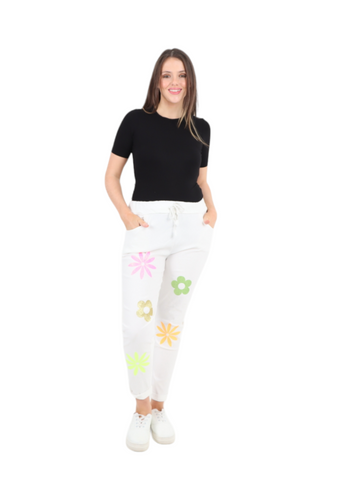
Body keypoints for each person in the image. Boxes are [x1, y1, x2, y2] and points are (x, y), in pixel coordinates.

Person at [105, 48, 217, 452]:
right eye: (167, 75)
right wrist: (126, 215)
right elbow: (111, 176)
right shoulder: (136, 121)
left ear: (190, 81)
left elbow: (200, 179)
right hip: (146, 229)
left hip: (192, 232)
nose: (175, 82)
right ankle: (140, 407)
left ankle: (159, 406)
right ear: (157, 80)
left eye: (182, 75)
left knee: (171, 322)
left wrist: (213, 209)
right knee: (138, 323)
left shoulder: (201, 127)